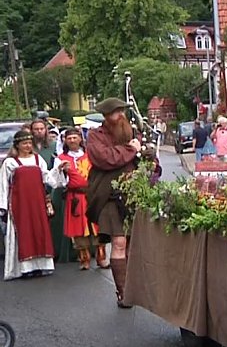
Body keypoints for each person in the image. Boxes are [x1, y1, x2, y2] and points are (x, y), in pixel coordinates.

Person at [86, 97, 143, 308]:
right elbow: (105, 158)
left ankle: (134, 288)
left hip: (133, 195)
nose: (120, 116)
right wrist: (131, 150)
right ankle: (124, 292)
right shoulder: (95, 136)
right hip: (109, 195)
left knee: (132, 244)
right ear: (106, 116)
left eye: (122, 111)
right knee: (119, 243)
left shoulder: (129, 132)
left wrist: (147, 157)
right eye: (116, 112)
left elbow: (142, 159)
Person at [1, 131, 69, 280]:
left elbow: (49, 179)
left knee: (39, 230)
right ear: (17, 145)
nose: (27, 146)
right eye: (24, 143)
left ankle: (41, 265)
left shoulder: (38, 160)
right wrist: (3, 207)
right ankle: (25, 268)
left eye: (29, 143)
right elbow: (3, 185)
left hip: (37, 202)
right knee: (24, 231)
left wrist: (58, 169)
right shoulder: (10, 163)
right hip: (20, 204)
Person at [57, 129, 106, 271]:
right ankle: (84, 260)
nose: (72, 140)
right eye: (69, 138)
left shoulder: (90, 156)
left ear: (80, 139)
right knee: (78, 230)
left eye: (75, 137)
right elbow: (58, 182)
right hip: (75, 198)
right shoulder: (61, 159)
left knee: (98, 227)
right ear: (65, 140)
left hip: (92, 196)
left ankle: (101, 258)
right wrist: (61, 171)